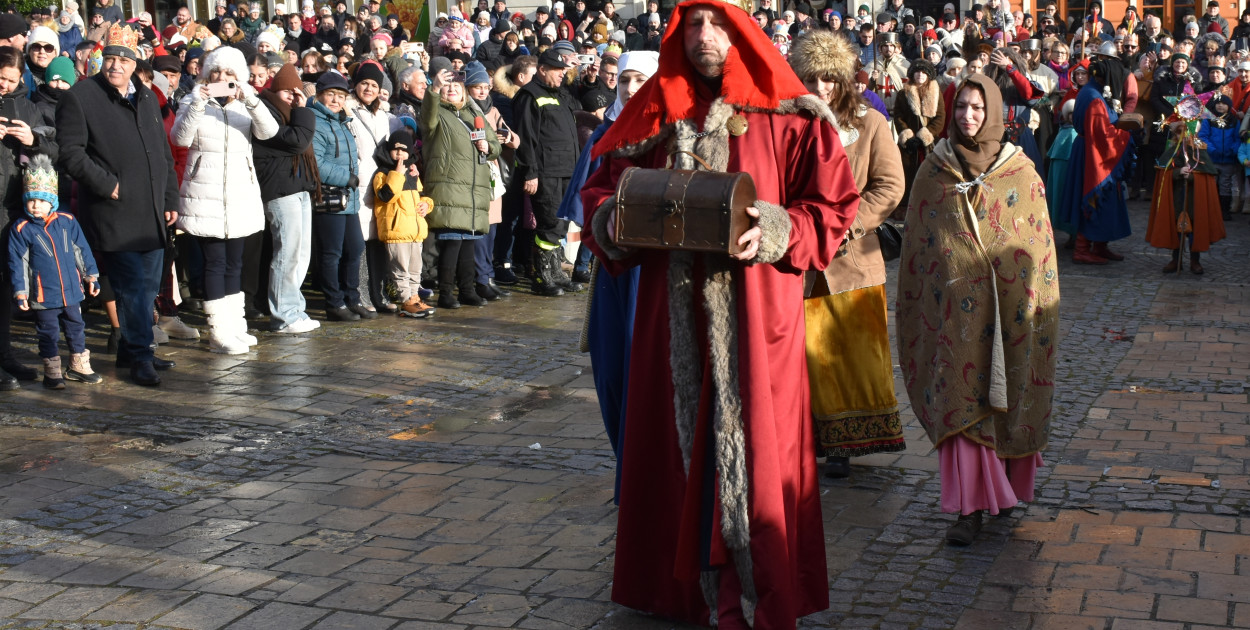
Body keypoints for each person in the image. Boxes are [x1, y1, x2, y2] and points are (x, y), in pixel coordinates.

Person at [579, 0, 861, 625]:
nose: (705, 37)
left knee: (759, 454)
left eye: (717, 23)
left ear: (741, 29)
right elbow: (600, 188)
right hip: (670, 320)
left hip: (759, 321)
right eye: (693, 25)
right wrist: (615, 219)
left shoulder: (789, 113)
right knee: (673, 445)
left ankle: (755, 589)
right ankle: (675, 589)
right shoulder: (653, 110)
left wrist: (782, 228)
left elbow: (835, 204)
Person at [897, 74, 1059, 547]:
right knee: (962, 398)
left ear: (993, 111)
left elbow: (1036, 241)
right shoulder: (934, 170)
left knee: (1007, 394)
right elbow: (921, 248)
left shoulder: (1020, 171)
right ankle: (968, 510)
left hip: (1010, 311)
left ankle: (1004, 491)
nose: (968, 116)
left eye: (977, 108)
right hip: (955, 316)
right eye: (962, 107)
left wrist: (1028, 295)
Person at [790, 30, 906, 479]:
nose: (820, 89)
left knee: (851, 354)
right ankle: (808, 438)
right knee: (804, 354)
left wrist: (847, 224)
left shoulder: (871, 124)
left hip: (853, 260)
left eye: (829, 79)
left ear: (843, 80)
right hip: (801, 261)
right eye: (812, 79)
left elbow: (890, 186)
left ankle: (847, 442)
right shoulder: (791, 125)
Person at [57, 24, 180, 386]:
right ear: (101, 60)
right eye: (109, 58)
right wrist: (107, 184)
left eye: (123, 60)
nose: (116, 66)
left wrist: (170, 197)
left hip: (152, 210)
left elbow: (162, 152)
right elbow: (71, 154)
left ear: (134, 63)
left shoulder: (146, 96)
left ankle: (130, 349)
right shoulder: (81, 96)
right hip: (114, 211)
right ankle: (142, 355)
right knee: (130, 287)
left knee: (146, 287)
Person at [171, 46, 279, 354]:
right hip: (205, 194)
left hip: (240, 194)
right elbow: (179, 138)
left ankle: (236, 326)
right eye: (216, 72)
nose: (222, 78)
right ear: (206, 74)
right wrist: (198, 102)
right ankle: (218, 331)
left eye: (229, 74)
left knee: (235, 262)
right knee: (215, 263)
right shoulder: (193, 100)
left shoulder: (244, 104)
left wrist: (250, 98)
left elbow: (269, 132)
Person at [9, 154, 103, 389]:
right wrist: (20, 291)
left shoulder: (67, 221)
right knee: (48, 332)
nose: (36, 206)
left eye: (41, 200)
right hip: (43, 294)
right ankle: (52, 371)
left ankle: (78, 365)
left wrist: (91, 275)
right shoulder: (22, 229)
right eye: (31, 201)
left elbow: (82, 250)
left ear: (52, 201)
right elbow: (17, 262)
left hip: (71, 291)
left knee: (76, 327)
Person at [421, 60, 501, 309]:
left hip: (473, 189)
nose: (452, 89)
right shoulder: (437, 114)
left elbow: (495, 145)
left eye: (457, 84)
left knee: (469, 242)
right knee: (452, 243)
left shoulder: (473, 113)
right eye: (447, 85)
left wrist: (488, 147)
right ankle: (446, 293)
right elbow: (426, 119)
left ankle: (467, 290)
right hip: (449, 187)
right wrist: (434, 89)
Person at [254, 63, 321, 334]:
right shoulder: (265, 113)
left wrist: (300, 109)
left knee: (300, 254)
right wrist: (304, 109)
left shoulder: (292, 115)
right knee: (287, 255)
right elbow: (297, 141)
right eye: (287, 92)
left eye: (297, 93)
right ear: (275, 91)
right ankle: (284, 315)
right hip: (280, 191)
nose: (293, 98)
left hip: (298, 188)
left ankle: (294, 309)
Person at [512, 48, 583, 296]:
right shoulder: (529, 96)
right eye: (558, 70)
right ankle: (542, 277)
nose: (563, 74)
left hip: (565, 170)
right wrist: (530, 173)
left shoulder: (559, 95)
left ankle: (556, 274)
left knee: (559, 225)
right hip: (545, 172)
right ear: (542, 70)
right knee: (548, 224)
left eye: (564, 70)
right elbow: (526, 138)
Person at [1057, 55, 1134, 265]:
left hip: (1090, 150)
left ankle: (1100, 245)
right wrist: (1127, 133)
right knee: (1092, 197)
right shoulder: (1094, 99)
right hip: (1094, 154)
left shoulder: (1092, 92)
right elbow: (1102, 134)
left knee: (1105, 200)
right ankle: (1082, 249)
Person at [309, 72, 370, 322]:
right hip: (330, 196)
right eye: (331, 94)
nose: (336, 100)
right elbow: (316, 162)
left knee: (354, 248)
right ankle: (333, 302)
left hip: (349, 198)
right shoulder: (315, 121)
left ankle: (352, 298)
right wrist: (347, 178)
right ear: (320, 95)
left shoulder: (343, 121)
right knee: (331, 252)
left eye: (341, 96)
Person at [372, 128, 437, 317]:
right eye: (396, 149)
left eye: (404, 150)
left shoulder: (412, 173)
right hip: (396, 231)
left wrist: (427, 205)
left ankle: (415, 297)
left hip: (415, 232)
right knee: (400, 269)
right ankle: (405, 299)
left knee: (415, 268)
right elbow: (385, 197)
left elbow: (422, 196)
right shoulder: (383, 174)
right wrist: (397, 174)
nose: (400, 154)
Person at [346, 60, 393, 316]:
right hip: (359, 186)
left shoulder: (384, 116)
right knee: (361, 243)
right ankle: (362, 294)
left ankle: (380, 293)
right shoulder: (348, 111)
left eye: (374, 84)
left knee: (379, 241)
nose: (369, 88)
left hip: (381, 186)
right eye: (364, 83)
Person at [1149, 119, 1227, 273]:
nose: (1184, 135)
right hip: (1176, 198)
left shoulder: (1200, 152)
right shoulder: (1171, 151)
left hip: (1194, 200)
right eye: (1180, 131)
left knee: (1194, 230)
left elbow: (1206, 176)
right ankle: (1175, 259)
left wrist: (1192, 176)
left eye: (1187, 131)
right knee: (1176, 229)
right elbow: (1163, 174)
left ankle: (1194, 260)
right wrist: (1178, 172)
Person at [893, 58, 944, 217]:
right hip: (908, 144)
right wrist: (907, 135)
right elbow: (898, 116)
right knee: (907, 174)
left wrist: (925, 136)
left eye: (924, 72)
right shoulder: (903, 93)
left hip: (928, 144)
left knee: (929, 175)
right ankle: (906, 207)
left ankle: (929, 205)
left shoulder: (936, 93)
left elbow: (940, 117)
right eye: (917, 71)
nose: (920, 75)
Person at [1201, 93, 1242, 220]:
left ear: (1229, 106)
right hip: (1212, 158)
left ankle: (1224, 210)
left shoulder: (1234, 121)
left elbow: (1238, 138)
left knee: (1225, 185)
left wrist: (1233, 150)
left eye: (1224, 103)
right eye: (1218, 103)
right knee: (1212, 184)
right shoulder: (1208, 119)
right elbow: (1203, 136)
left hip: (1228, 159)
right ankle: (1210, 209)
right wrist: (1212, 149)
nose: (1220, 105)